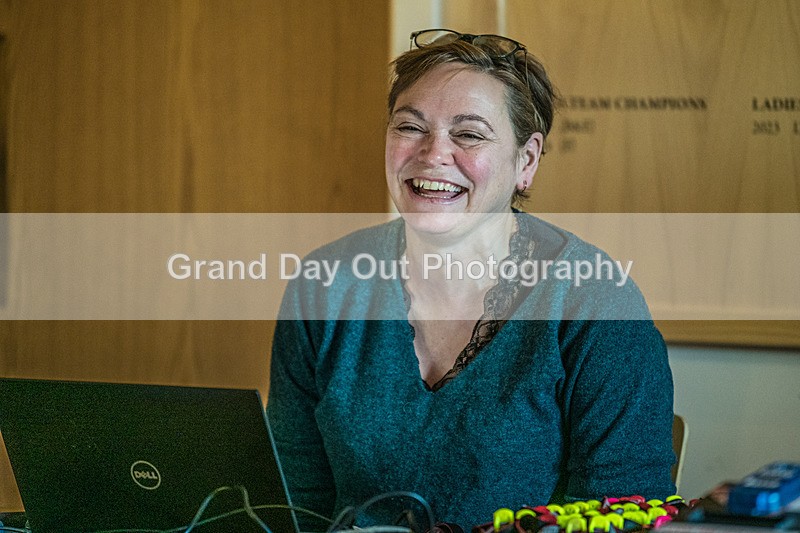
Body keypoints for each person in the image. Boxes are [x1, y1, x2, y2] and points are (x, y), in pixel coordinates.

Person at [267, 29, 675, 531]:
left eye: (470, 133)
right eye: (409, 127)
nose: (433, 153)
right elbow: (290, 499)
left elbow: (629, 516)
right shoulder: (322, 285)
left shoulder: (597, 302)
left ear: (525, 162)